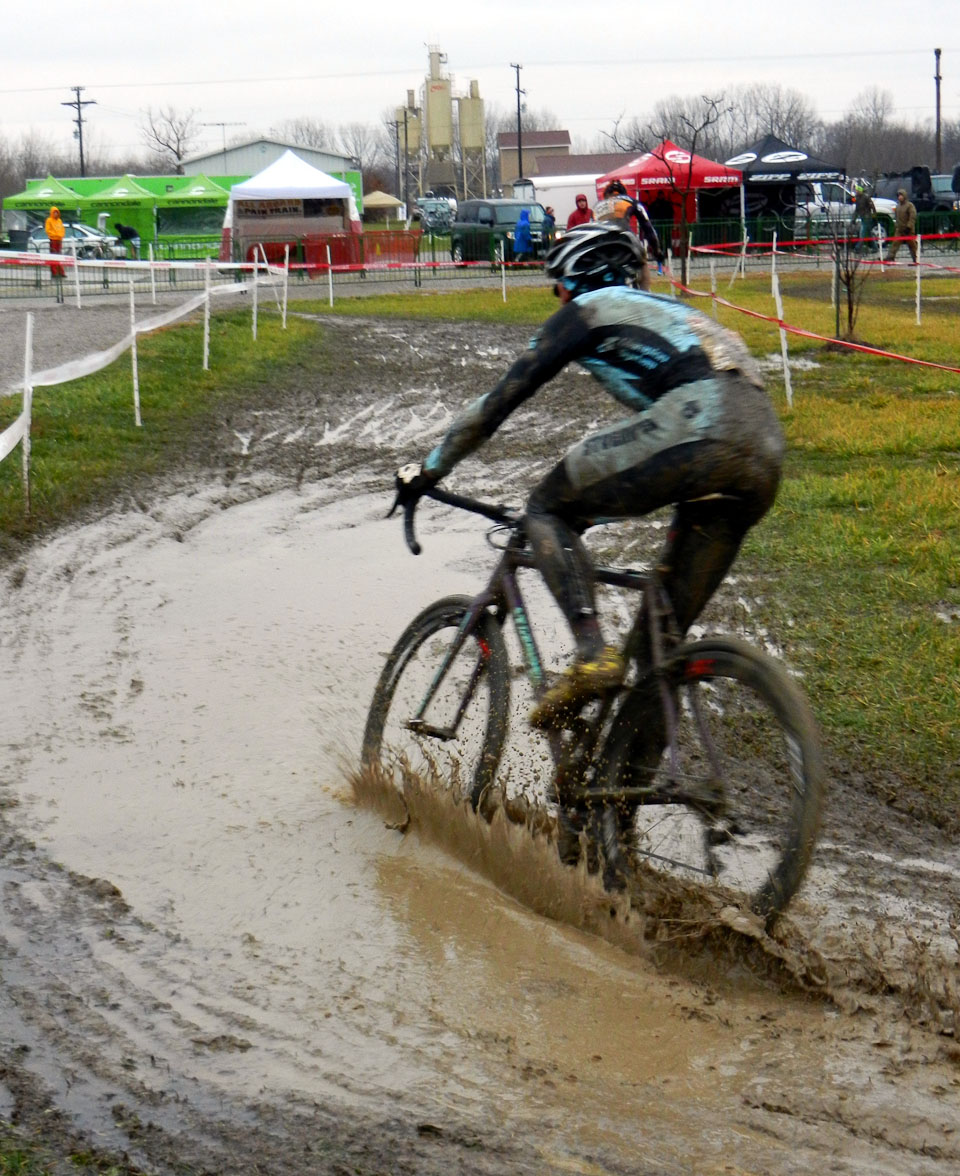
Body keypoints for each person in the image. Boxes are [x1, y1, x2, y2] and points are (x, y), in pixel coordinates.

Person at [394, 224, 784, 729]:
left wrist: (429, 470)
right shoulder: (681, 314)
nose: (556, 299)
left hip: (698, 424)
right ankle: (616, 801)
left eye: (557, 287)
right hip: (764, 452)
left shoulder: (585, 310)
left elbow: (495, 406)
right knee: (655, 655)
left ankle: (591, 652)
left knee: (547, 509)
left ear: (579, 278)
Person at [593, 179, 663, 291]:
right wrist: (657, 252)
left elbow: (591, 227)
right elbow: (649, 229)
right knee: (642, 263)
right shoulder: (631, 201)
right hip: (625, 241)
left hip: (602, 247)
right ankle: (645, 296)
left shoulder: (597, 207)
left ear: (606, 194)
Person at [888, 188, 918, 263]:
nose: (899, 197)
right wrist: (896, 226)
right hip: (900, 229)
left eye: (901, 195)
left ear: (904, 196)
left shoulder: (909, 205)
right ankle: (890, 257)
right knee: (895, 244)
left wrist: (909, 226)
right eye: (898, 196)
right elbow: (896, 217)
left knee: (912, 246)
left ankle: (916, 259)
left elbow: (912, 217)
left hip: (908, 229)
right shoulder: (898, 206)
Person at [44, 206, 66, 299]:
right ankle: (54, 272)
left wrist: (60, 236)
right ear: (52, 213)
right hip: (53, 240)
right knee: (53, 256)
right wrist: (55, 235)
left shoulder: (59, 221)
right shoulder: (49, 220)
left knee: (59, 256)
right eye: (55, 212)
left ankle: (61, 272)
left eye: (57, 212)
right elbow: (48, 230)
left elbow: (62, 230)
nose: (56, 214)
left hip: (59, 240)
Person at [852, 185, 876, 252]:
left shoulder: (866, 197)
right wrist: (854, 218)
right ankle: (875, 248)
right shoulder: (857, 198)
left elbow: (872, 206)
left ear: (860, 190)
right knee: (869, 234)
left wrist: (874, 214)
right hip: (863, 217)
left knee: (862, 233)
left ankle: (857, 248)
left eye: (857, 190)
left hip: (867, 218)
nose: (856, 191)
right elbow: (857, 210)